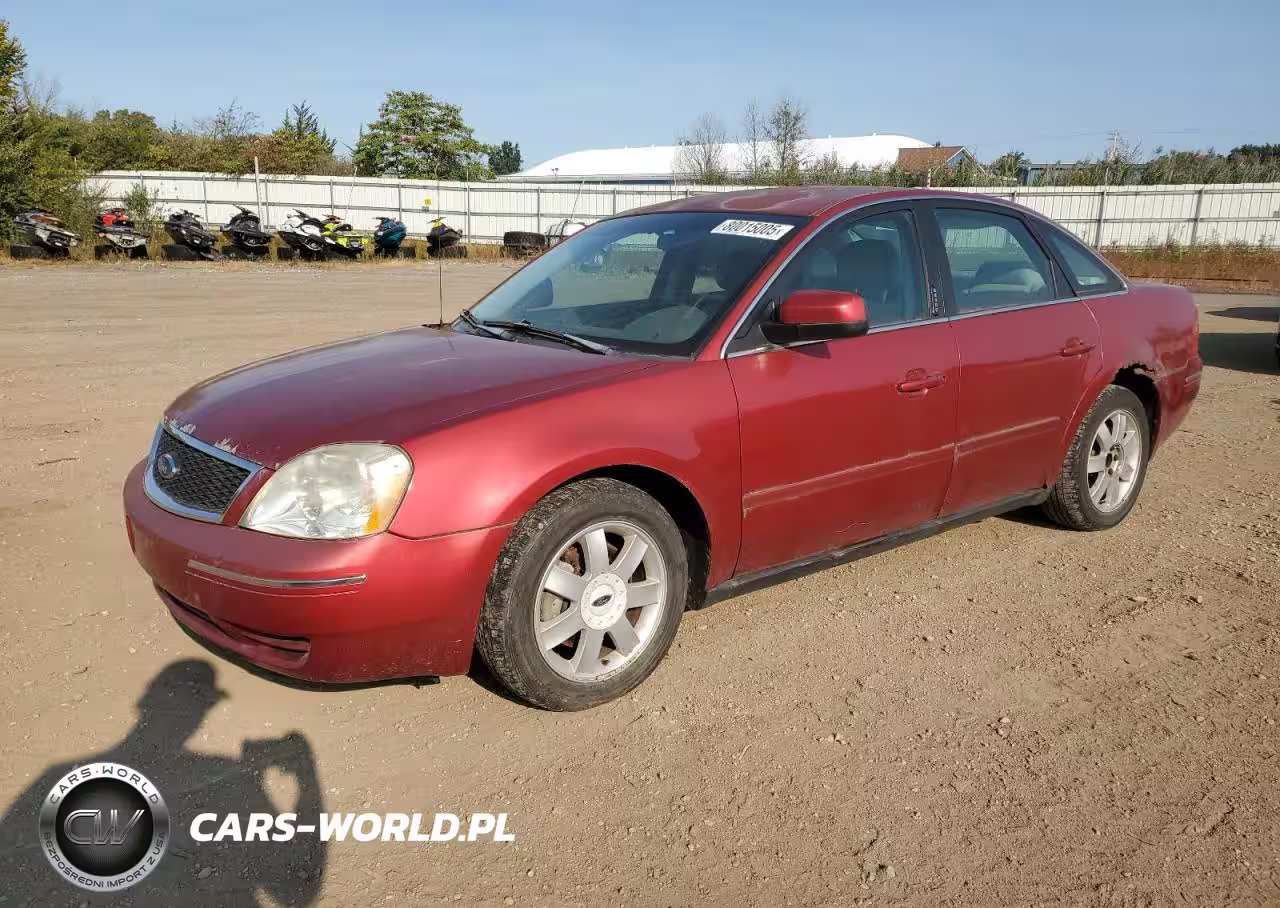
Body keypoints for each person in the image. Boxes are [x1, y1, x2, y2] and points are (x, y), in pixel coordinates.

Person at [0, 660, 327, 906]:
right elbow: (295, 893)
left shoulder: (57, 778)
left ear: (143, 704)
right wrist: (305, 777)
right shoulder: (223, 774)